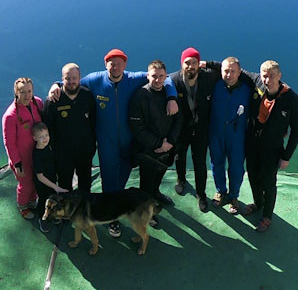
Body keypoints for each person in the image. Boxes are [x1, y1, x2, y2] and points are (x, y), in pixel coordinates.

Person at [48, 48, 178, 238]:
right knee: (109, 182)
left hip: (127, 142)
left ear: (125, 65)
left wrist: (172, 97)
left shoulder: (133, 78)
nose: (115, 67)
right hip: (106, 142)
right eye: (111, 63)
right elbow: (71, 81)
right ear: (105, 64)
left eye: (119, 63)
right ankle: (113, 220)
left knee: (122, 179)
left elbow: (165, 79)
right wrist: (55, 84)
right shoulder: (95, 80)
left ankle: (126, 209)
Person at [244, 60, 298, 232]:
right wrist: (208, 64)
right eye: (264, 75)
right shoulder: (258, 84)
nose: (267, 79)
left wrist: (286, 156)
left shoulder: (293, 100)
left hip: (273, 148)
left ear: (279, 76)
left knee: (269, 182)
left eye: (271, 76)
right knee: (253, 176)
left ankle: (267, 216)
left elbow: (296, 131)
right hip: (253, 144)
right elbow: (239, 71)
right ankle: (258, 202)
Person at [170, 47, 225, 213]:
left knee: (200, 162)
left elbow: (227, 67)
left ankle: (201, 194)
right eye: (187, 63)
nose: (191, 66)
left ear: (199, 64)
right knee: (180, 156)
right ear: (182, 64)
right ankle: (181, 180)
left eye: (194, 63)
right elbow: (156, 83)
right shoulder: (173, 80)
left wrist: (208, 63)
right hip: (181, 128)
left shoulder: (209, 76)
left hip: (201, 129)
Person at [129, 60, 183, 223]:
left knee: (160, 172)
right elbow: (137, 127)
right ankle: (145, 212)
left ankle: (156, 193)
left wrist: (171, 142)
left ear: (166, 77)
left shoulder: (170, 95)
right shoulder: (140, 97)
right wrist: (159, 143)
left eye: (161, 76)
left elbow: (179, 120)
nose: (158, 80)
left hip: (168, 147)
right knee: (145, 183)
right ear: (148, 76)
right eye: (154, 76)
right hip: (149, 149)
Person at [43, 63, 97, 193]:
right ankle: (66, 212)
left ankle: (84, 211)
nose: (71, 81)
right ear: (62, 78)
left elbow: (94, 122)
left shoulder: (87, 95)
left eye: (74, 78)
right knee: (64, 185)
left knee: (85, 184)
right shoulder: (53, 100)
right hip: (62, 154)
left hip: (84, 151)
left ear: (79, 77)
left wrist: (92, 145)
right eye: (68, 78)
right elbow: (47, 126)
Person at [209, 56, 251, 215]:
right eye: (226, 71)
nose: (229, 74)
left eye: (233, 71)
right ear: (221, 71)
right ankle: (220, 190)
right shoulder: (215, 86)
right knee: (216, 163)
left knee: (236, 168)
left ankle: (234, 196)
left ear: (239, 72)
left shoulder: (248, 90)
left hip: (237, 137)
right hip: (216, 134)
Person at [1, 77, 44, 219]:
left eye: (29, 91)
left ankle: (32, 201)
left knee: (35, 180)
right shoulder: (10, 116)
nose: (27, 96)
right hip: (22, 158)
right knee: (25, 184)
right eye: (23, 92)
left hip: (36, 153)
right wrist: (17, 163)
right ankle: (23, 205)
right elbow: (9, 143)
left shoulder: (37, 103)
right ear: (16, 93)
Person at [31, 123, 69, 232]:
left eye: (46, 135)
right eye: (41, 137)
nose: (45, 139)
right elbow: (40, 177)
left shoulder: (48, 147)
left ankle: (52, 216)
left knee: (52, 199)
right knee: (44, 201)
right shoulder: (37, 154)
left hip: (51, 179)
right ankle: (42, 219)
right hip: (42, 184)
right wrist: (56, 187)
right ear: (35, 138)